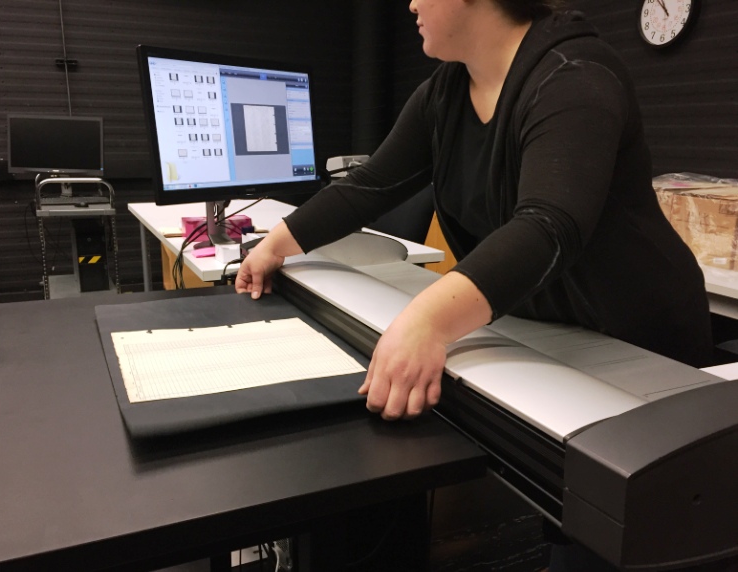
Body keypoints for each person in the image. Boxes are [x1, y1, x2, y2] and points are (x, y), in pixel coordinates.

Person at [236, 1, 718, 569]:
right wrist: (275, 244)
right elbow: (369, 186)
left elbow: (549, 225)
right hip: (555, 332)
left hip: (641, 346)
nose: (411, 3)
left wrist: (425, 322)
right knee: (566, 526)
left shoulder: (575, 75)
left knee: (618, 539)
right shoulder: (444, 93)